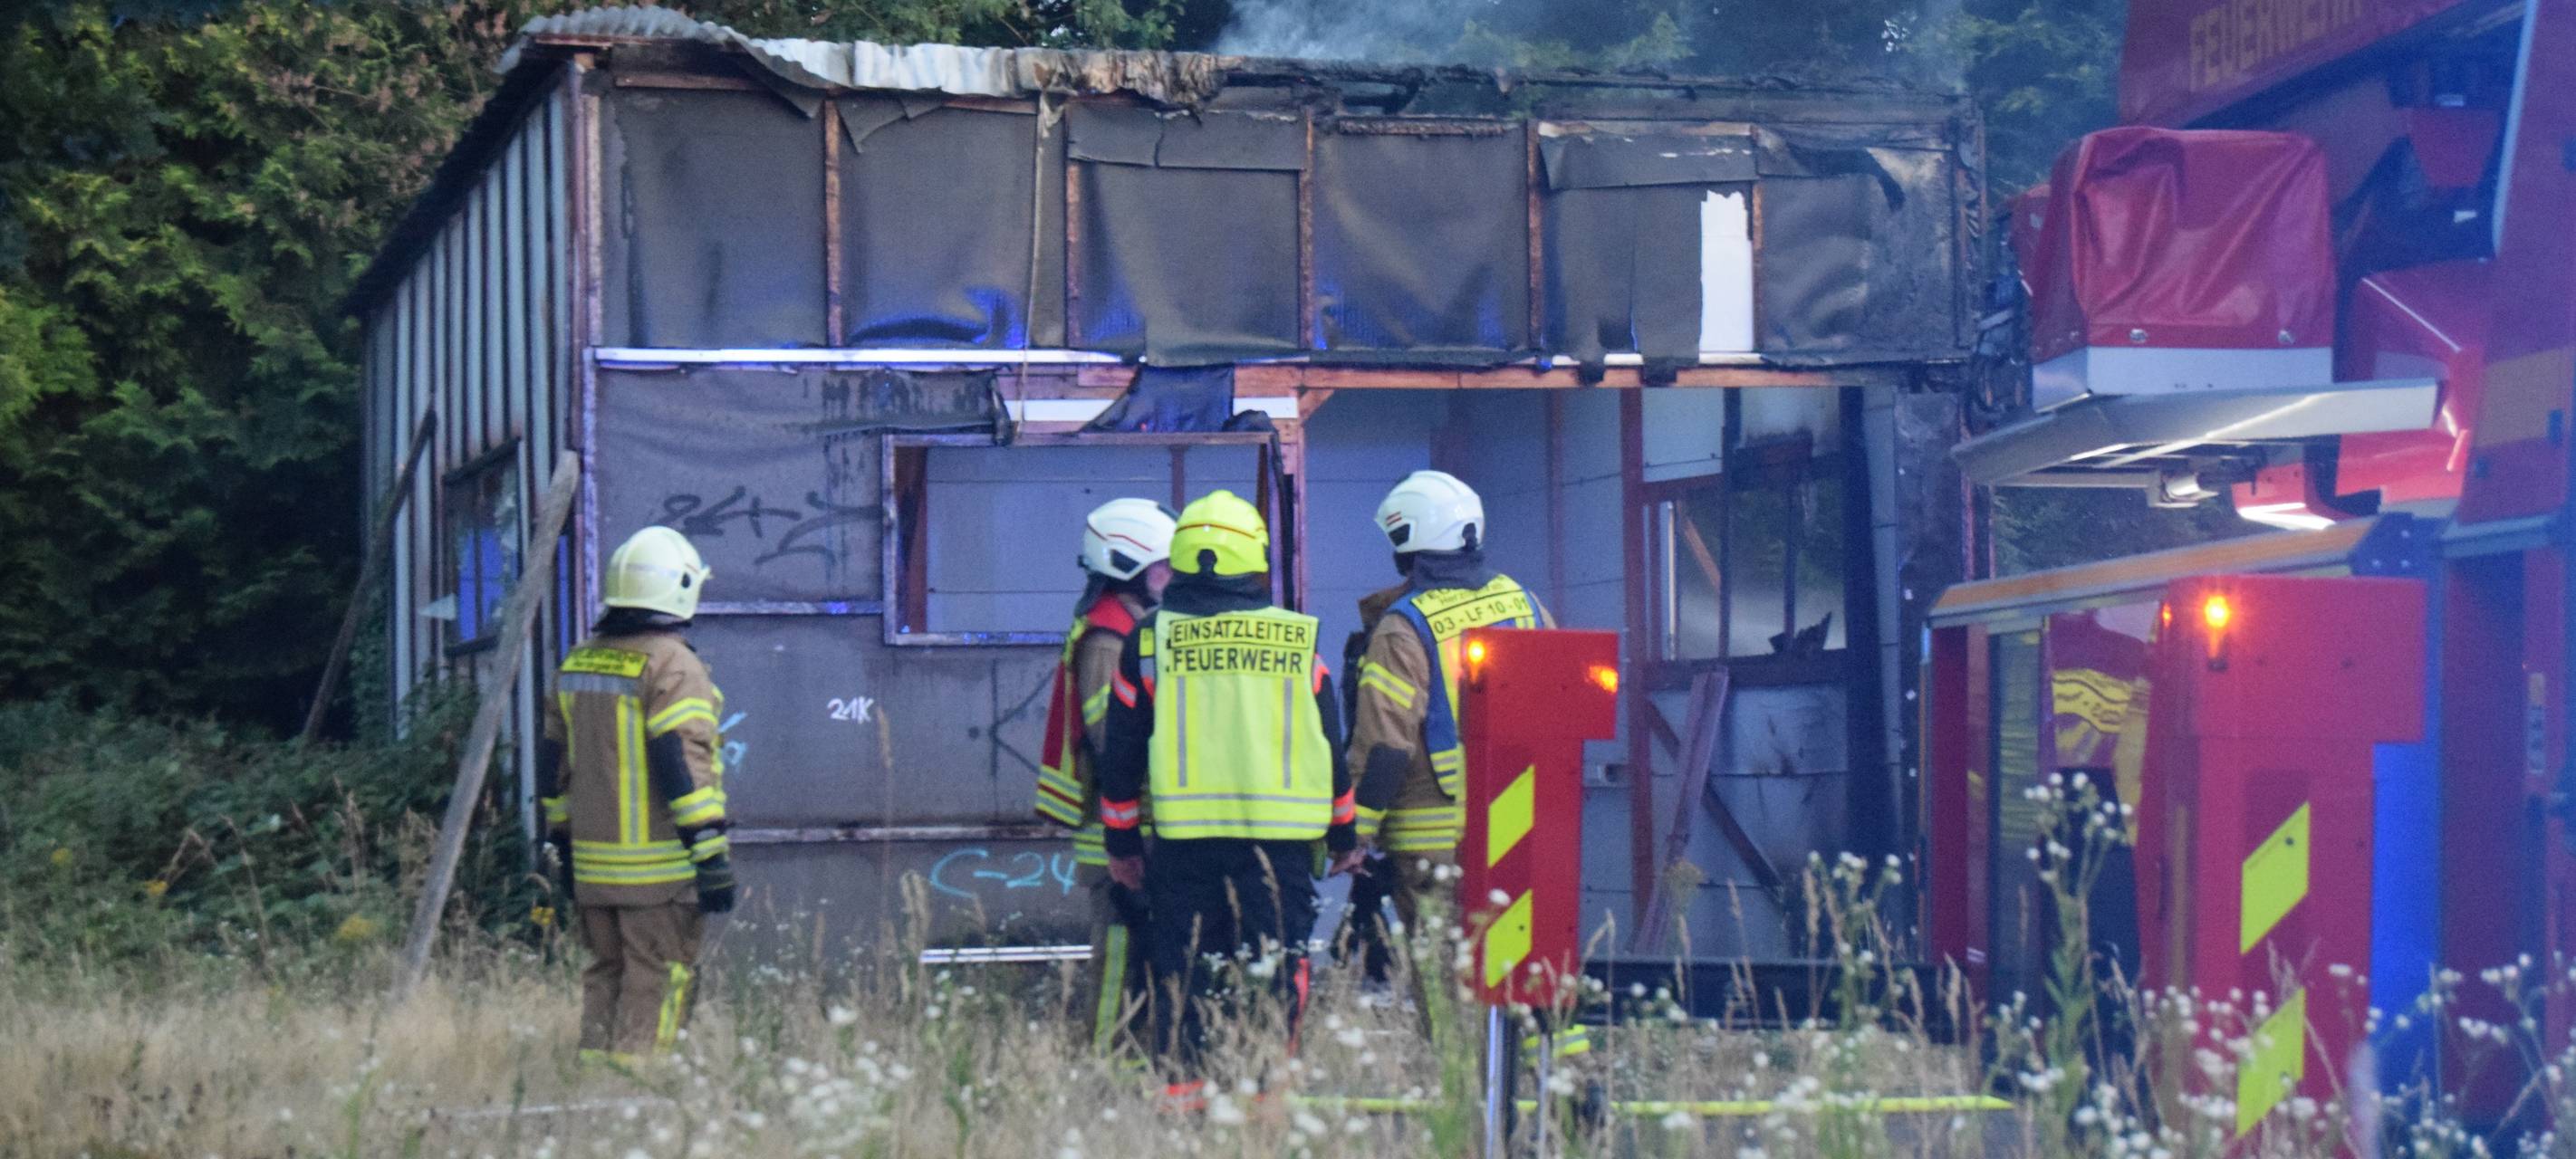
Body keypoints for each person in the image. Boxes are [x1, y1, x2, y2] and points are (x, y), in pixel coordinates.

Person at [1093, 490, 1361, 1107]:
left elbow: (1122, 756)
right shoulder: (1297, 642)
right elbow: (1331, 750)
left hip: (1185, 846)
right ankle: (1268, 1103)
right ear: (1256, 562)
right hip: (1281, 847)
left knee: (1184, 971)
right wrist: (1345, 838)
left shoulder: (1149, 640)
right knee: (1280, 966)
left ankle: (1187, 1106)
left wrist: (1122, 846)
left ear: (1182, 561)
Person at [537, 526, 735, 1066]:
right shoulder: (673, 664)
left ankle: (593, 1080)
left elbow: (551, 766)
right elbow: (681, 761)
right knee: (659, 977)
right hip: (659, 869)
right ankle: (638, 1091)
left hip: (593, 868)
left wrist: (563, 845)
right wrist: (710, 853)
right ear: (681, 588)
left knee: (606, 972)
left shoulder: (577, 663)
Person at [1343, 470, 1549, 966]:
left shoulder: (1402, 627)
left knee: (1441, 973)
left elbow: (1386, 746)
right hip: (1519, 820)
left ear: (1406, 542)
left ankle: (1455, 1048)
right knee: (1518, 963)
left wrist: (1355, 833)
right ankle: (1540, 1045)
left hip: (1430, 834)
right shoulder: (1526, 604)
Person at [1034, 498, 1176, 1054]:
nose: (1172, 578)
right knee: (1118, 951)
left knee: (1145, 951)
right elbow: (1110, 739)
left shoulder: (1132, 628)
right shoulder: (1106, 639)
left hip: (1137, 822)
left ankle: (1136, 1056)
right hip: (1113, 829)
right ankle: (1105, 1059)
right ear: (1125, 566)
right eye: (1163, 566)